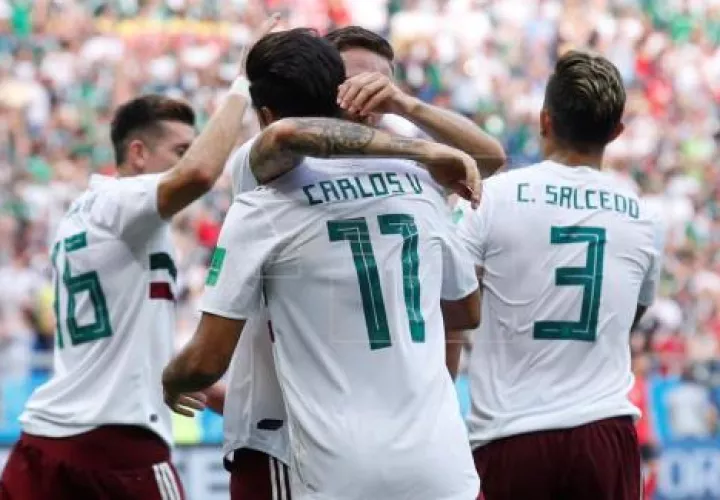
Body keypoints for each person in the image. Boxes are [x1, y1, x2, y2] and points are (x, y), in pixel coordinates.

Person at [162, 28, 482, 500]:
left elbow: (206, 360)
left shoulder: (263, 204)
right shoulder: (420, 186)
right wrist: (428, 149)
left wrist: (172, 378)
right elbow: (465, 313)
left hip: (327, 467)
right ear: (339, 91)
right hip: (440, 465)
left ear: (265, 113)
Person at [0, 66, 253, 500]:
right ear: (137, 154)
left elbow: (123, 339)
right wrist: (242, 85)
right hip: (118, 446)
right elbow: (200, 175)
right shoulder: (120, 202)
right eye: (180, 150)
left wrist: (194, 384)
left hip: (44, 444)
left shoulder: (93, 213)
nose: (188, 160)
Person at [455, 50, 665, 500]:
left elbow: (453, 302)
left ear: (544, 120)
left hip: (513, 433)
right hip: (605, 432)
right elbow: (629, 317)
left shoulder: (493, 197)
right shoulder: (644, 217)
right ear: (616, 132)